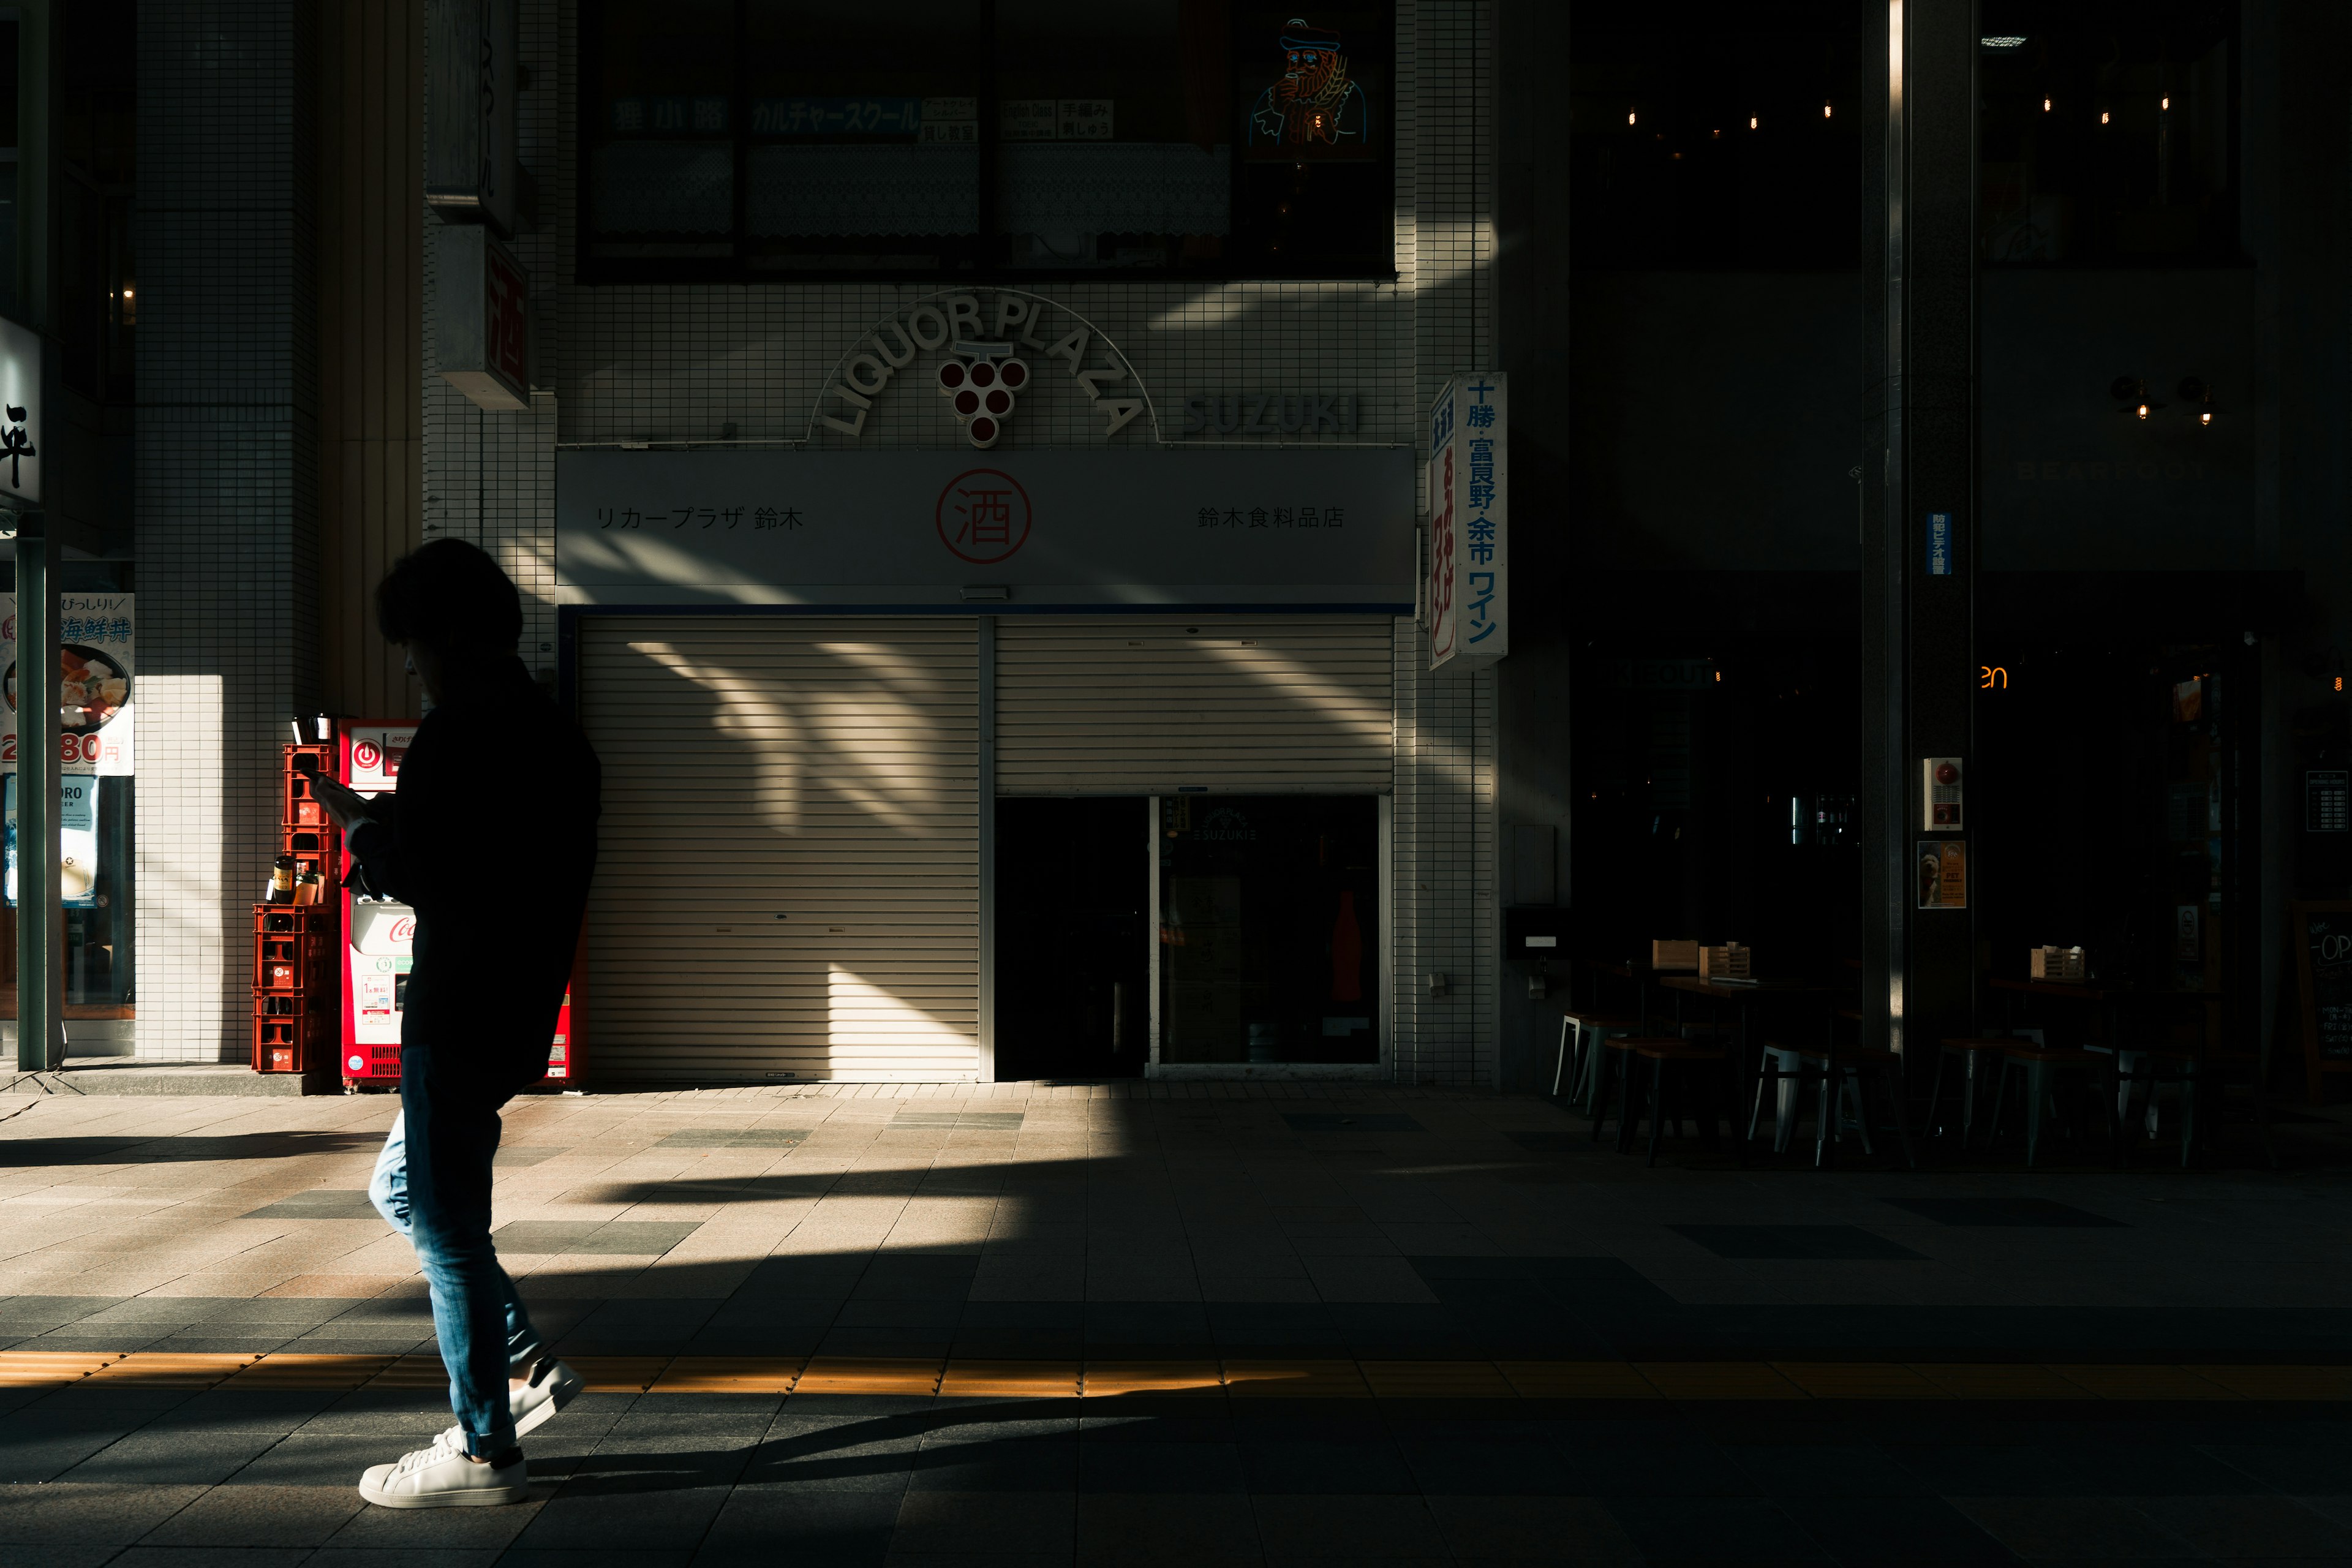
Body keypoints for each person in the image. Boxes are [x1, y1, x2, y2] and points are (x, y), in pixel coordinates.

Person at [314, 539, 602, 1508]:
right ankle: (523, 1368)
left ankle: (487, 1449)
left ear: (447, 638)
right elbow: (496, 866)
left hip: (456, 1014)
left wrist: (359, 835)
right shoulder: (561, 740)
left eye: (411, 645)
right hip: (518, 1010)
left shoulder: (454, 737)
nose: (410, 665)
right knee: (403, 1188)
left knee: (444, 1232)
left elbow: (428, 874)